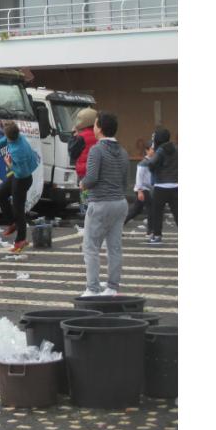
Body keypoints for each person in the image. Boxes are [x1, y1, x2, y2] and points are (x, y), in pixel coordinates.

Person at [79, 112, 129, 297]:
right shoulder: (123, 152)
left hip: (100, 203)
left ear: (99, 128)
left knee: (91, 246)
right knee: (114, 247)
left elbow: (91, 178)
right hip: (120, 203)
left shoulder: (96, 150)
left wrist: (82, 183)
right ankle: (112, 288)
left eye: (95, 124)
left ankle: (92, 289)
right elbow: (125, 182)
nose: (93, 127)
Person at [0, 121, 40, 253]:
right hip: (17, 176)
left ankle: (20, 240)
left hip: (23, 179)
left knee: (19, 209)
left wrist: (9, 163)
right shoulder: (16, 137)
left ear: (10, 136)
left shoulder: (18, 150)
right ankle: (13, 222)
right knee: (0, 194)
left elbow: (21, 171)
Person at [145, 127, 178, 245]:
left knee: (157, 213)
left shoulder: (160, 150)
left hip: (161, 186)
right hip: (175, 185)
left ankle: (157, 236)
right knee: (177, 212)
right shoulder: (176, 149)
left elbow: (151, 164)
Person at [69, 108, 99, 213]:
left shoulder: (81, 137)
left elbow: (72, 153)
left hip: (84, 173)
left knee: (85, 200)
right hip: (97, 172)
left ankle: (86, 216)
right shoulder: (99, 135)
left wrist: (73, 135)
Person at [124, 150, 153, 228]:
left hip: (145, 188)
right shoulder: (143, 163)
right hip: (142, 189)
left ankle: (120, 224)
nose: (154, 151)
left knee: (136, 210)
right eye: (152, 149)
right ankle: (150, 230)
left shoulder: (152, 161)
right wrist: (140, 191)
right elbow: (139, 177)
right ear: (146, 150)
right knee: (151, 208)